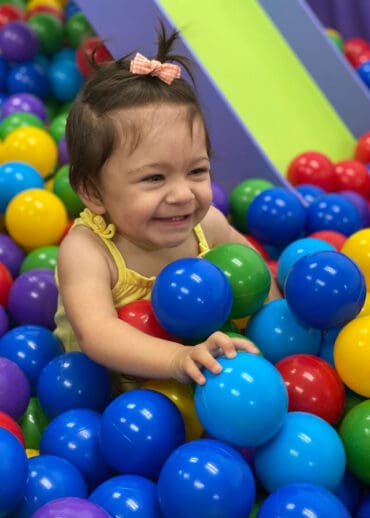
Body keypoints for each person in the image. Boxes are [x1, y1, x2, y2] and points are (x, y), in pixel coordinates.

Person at [54, 25, 281, 393]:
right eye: (154, 178)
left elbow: (256, 276)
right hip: (105, 391)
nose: (182, 194)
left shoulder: (208, 223)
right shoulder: (87, 251)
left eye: (196, 171)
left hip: (206, 376)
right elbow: (98, 333)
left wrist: (274, 334)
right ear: (93, 192)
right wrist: (177, 358)